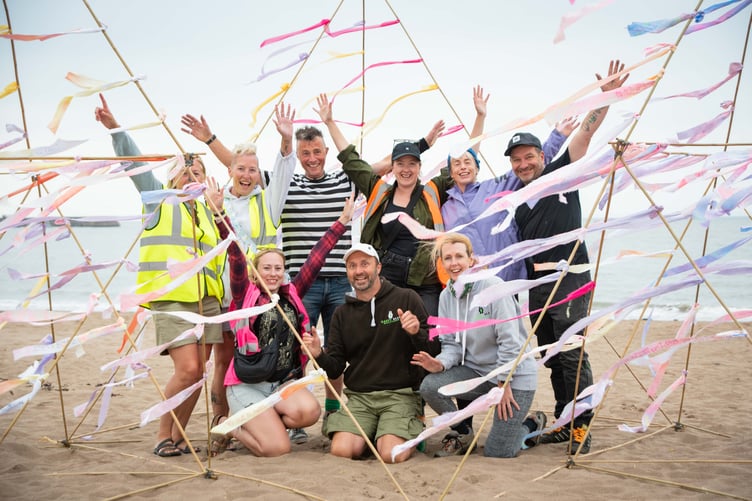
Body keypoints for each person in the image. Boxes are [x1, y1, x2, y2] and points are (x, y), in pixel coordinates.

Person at [508, 59, 629, 454]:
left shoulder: (561, 174)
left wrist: (606, 96)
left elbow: (584, 133)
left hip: (571, 278)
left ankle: (581, 428)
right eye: (517, 159)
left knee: (573, 354)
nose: (524, 163)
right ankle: (564, 420)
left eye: (529, 156)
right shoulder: (517, 200)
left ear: (541, 156)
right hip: (537, 288)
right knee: (552, 357)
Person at [94, 94, 224, 458]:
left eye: (198, 173)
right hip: (173, 299)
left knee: (200, 373)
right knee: (188, 369)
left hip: (208, 303)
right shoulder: (158, 200)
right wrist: (115, 128)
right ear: (173, 176)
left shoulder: (207, 213)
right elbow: (134, 164)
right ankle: (163, 434)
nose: (194, 178)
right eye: (187, 172)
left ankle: (181, 436)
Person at [206, 183, 354, 457]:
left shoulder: (291, 295)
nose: (273, 274)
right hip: (247, 385)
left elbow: (315, 260)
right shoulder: (244, 295)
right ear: (255, 272)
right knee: (277, 448)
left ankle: (264, 420)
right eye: (266, 268)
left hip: (281, 384)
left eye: (278, 268)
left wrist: (342, 222)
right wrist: (219, 216)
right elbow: (236, 254)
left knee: (309, 411)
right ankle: (231, 426)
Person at [181, 106, 297, 448]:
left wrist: (286, 139)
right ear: (229, 170)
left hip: (267, 295)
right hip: (231, 296)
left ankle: (273, 416)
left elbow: (285, 169)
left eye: (252, 169)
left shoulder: (269, 200)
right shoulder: (216, 201)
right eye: (240, 168)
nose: (246, 174)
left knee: (279, 352)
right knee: (225, 361)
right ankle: (223, 422)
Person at [315, 93, 450, 316]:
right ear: (392, 167)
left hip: (425, 279)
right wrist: (329, 122)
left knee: (427, 332)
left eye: (412, 164)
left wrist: (479, 118)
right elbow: (351, 159)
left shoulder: (432, 191)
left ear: (419, 166)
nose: (406, 169)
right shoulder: (378, 190)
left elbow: (462, 162)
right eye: (400, 164)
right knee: (389, 330)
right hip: (388, 278)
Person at [302, 243, 438, 463]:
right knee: (342, 451)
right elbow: (336, 367)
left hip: (399, 395)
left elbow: (433, 351)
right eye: (352, 266)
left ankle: (403, 429)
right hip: (360, 398)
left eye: (365, 264)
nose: (358, 271)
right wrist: (318, 354)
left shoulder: (406, 298)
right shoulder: (341, 313)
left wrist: (416, 333)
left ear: (378, 268)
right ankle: (377, 431)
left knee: (390, 455)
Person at [412, 233, 539, 458]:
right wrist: (439, 364)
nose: (454, 263)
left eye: (459, 256)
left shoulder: (494, 288)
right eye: (448, 258)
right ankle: (463, 432)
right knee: (430, 386)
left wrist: (504, 382)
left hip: (513, 376)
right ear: (441, 263)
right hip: (478, 373)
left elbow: (511, 342)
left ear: (472, 259)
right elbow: (451, 345)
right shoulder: (445, 297)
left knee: (498, 452)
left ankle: (531, 425)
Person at [442, 86, 578, 282]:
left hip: (507, 277)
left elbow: (531, 164)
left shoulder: (495, 187)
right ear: (451, 173)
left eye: (468, 162)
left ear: (477, 168)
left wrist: (558, 136)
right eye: (456, 164)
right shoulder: (446, 207)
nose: (463, 167)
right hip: (471, 283)